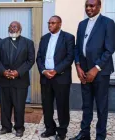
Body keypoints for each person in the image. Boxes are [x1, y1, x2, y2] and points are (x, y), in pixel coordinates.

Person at [70, 0, 115, 140]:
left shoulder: (108, 22)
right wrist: (78, 66)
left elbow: (110, 49)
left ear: (99, 6)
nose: (89, 8)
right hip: (84, 72)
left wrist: (96, 69)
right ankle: (84, 134)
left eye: (92, 6)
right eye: (87, 6)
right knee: (86, 105)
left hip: (100, 72)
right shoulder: (82, 24)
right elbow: (77, 48)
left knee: (101, 107)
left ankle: (100, 136)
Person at [36, 15, 75, 140]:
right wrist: (43, 70)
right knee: (47, 106)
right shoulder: (44, 38)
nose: (50, 25)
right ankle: (50, 129)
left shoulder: (68, 37)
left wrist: (56, 70)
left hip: (61, 78)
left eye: (53, 23)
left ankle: (62, 131)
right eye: (49, 23)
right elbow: (39, 58)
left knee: (62, 106)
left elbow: (69, 58)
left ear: (60, 24)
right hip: (46, 77)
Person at [0, 21, 35, 137]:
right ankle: (6, 127)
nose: (13, 29)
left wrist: (18, 72)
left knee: (19, 106)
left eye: (15, 27)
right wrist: (3, 71)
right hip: (5, 80)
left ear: (20, 29)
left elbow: (30, 60)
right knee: (5, 106)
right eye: (11, 27)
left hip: (20, 81)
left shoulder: (28, 43)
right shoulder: (1, 43)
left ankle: (19, 127)